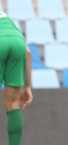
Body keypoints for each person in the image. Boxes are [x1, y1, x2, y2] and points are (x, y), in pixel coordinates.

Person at [0, 11, 33, 145]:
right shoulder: (5, 17)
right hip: (17, 42)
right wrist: (27, 86)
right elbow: (28, 53)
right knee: (13, 103)